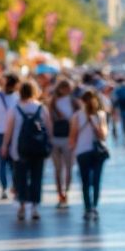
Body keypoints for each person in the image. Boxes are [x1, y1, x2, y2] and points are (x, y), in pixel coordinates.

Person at [4, 81, 51, 222]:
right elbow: (49, 128)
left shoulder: (15, 108)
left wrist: (4, 145)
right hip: (38, 148)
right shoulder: (41, 108)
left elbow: (9, 130)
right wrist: (48, 145)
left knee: (21, 178)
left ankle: (22, 206)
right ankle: (35, 207)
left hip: (19, 149)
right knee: (36, 177)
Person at [71, 89, 109, 221]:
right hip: (97, 151)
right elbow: (104, 135)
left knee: (85, 181)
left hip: (82, 151)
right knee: (97, 180)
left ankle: (87, 207)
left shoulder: (77, 115)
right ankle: (95, 206)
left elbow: (73, 136)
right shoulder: (101, 115)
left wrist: (72, 152)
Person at [0, 74, 20, 200]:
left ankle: (4, 188)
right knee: (13, 162)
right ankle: (15, 187)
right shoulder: (17, 98)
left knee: (2, 162)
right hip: (13, 133)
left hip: (0, 132)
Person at [49, 79, 77, 208]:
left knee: (64, 169)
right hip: (60, 138)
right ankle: (61, 194)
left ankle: (65, 193)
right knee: (60, 169)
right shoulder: (53, 102)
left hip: (63, 138)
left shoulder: (72, 102)